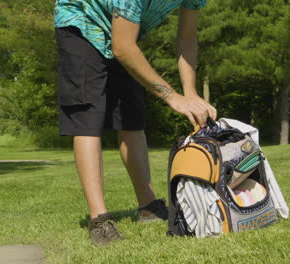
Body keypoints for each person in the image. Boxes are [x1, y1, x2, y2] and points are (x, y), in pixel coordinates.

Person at [54, 0, 217, 247]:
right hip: (81, 21)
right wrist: (172, 97)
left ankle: (149, 206)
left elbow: (187, 39)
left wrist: (190, 92)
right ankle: (99, 220)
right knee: (89, 119)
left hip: (123, 32)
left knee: (132, 115)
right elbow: (122, 48)